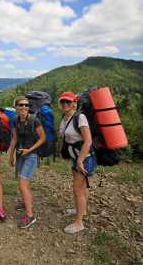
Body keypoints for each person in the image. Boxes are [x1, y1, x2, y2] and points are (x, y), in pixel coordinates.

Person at [59, 91, 97, 234]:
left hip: (85, 158)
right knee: (81, 187)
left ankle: (79, 222)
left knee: (77, 190)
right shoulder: (65, 118)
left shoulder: (80, 117)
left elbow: (88, 141)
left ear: (74, 103)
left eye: (68, 102)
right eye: (62, 102)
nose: (64, 104)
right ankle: (82, 210)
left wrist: (80, 161)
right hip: (77, 157)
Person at [9, 96, 46, 228]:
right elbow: (14, 138)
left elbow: (43, 138)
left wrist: (29, 150)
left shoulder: (34, 120)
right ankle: (25, 202)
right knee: (20, 181)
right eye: (21, 105)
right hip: (20, 154)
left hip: (32, 155)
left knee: (23, 184)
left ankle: (30, 216)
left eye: (26, 105)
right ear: (16, 107)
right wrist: (11, 155)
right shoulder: (15, 120)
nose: (24, 107)